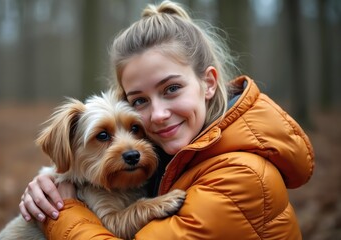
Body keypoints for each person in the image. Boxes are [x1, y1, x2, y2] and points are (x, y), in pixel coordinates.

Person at [19, 1, 314, 239]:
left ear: (209, 83)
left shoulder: (242, 178)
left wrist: (64, 210)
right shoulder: (171, 152)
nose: (158, 115)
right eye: (140, 101)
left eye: (172, 89)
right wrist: (47, 187)